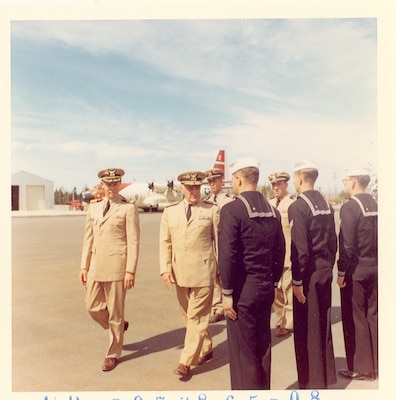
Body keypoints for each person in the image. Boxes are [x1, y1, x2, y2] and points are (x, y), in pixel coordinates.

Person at [218, 158, 285, 390]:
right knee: (263, 347)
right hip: (266, 288)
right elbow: (280, 250)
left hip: (242, 292)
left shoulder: (231, 209)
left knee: (242, 353)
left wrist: (227, 293)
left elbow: (227, 255)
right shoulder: (273, 211)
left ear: (237, 179)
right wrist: (274, 281)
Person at [159, 171, 220, 379]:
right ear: (182, 189)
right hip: (180, 273)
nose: (194, 192)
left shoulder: (211, 211)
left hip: (204, 272)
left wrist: (221, 271)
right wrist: (165, 269)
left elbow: (218, 244)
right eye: (190, 188)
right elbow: (165, 243)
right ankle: (206, 347)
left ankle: (186, 361)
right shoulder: (170, 212)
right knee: (188, 317)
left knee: (196, 317)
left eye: (197, 187)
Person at [79, 168, 140, 372]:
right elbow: (88, 239)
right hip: (96, 265)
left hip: (117, 267)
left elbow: (133, 241)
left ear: (119, 184)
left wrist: (130, 270)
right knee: (92, 306)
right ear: (102, 186)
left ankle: (113, 353)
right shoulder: (94, 208)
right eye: (108, 184)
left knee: (115, 312)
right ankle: (119, 327)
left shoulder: (127, 209)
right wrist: (84, 266)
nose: (111, 187)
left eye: (115, 184)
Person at [288, 160, 337, 389]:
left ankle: (310, 382)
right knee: (323, 325)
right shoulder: (326, 204)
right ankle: (325, 378)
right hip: (325, 270)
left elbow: (300, 250)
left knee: (307, 329)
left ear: (299, 179)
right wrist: (330, 265)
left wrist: (297, 281)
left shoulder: (298, 207)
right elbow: (334, 241)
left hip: (308, 275)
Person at [337, 168, 378, 381]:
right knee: (373, 315)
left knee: (357, 319)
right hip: (375, 267)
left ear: (353, 182)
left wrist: (341, 271)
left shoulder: (350, 207)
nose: (345, 184)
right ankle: (377, 364)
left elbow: (348, 246)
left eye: (345, 180)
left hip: (357, 270)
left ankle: (362, 368)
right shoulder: (374, 204)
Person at [203, 168, 234, 323]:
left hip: (226, 240)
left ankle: (228, 303)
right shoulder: (207, 201)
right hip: (212, 241)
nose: (212, 183)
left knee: (227, 273)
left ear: (222, 181)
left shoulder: (229, 200)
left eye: (215, 180)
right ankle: (217, 307)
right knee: (215, 274)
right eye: (210, 181)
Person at [268, 171, 296, 337]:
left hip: (288, 254)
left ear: (286, 184)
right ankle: (281, 315)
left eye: (279, 184)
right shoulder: (269, 203)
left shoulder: (292, 203)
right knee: (276, 291)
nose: (276, 187)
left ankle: (288, 322)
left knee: (288, 289)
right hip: (272, 256)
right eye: (273, 184)